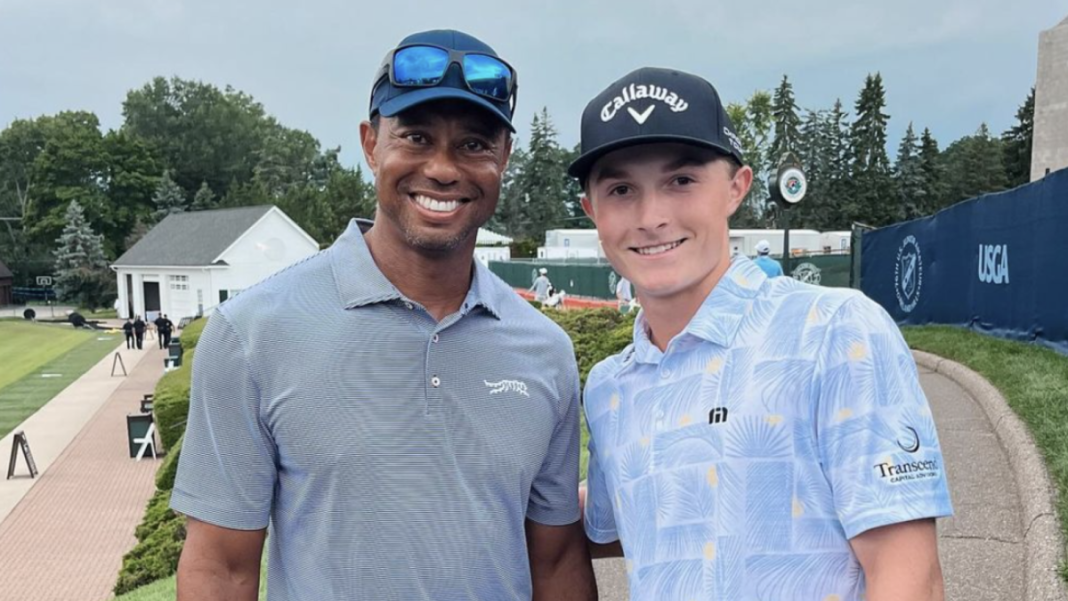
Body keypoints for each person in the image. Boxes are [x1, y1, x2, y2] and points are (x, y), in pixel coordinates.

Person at [171, 29, 596, 601]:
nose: (444, 169)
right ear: (371, 145)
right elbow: (220, 569)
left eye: (473, 144)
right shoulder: (252, 332)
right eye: (416, 137)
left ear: (504, 158)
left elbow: (557, 558)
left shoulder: (543, 349)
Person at [570, 67, 953, 601]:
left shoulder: (835, 333)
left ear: (736, 188)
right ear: (592, 211)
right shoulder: (610, 388)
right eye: (620, 189)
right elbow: (627, 522)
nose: (651, 216)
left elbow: (909, 578)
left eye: (681, 181)